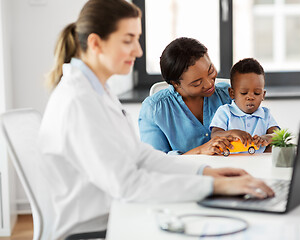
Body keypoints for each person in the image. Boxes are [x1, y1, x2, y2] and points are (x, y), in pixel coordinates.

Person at [38, 1, 273, 239]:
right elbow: (129, 185)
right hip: (94, 228)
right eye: (128, 40)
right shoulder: (79, 101)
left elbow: (139, 155)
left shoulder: (98, 91)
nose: (138, 51)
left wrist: (206, 173)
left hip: (117, 212)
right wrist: (215, 186)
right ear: (96, 43)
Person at [139, 37, 235, 155]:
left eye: (210, 71)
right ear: (176, 83)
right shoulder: (154, 110)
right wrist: (200, 151)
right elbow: (154, 163)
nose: (209, 83)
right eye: (197, 83)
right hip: (185, 173)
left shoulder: (229, 95)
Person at [210, 58, 280, 153]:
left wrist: (268, 138)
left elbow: (277, 135)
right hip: (230, 162)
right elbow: (214, 135)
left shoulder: (266, 114)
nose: (250, 97)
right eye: (244, 93)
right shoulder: (225, 111)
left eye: (257, 93)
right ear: (232, 93)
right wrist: (232, 132)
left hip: (258, 163)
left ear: (263, 95)